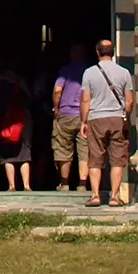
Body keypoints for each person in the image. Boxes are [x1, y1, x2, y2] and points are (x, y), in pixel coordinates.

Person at [82, 38, 136, 207]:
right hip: (117, 118)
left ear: (97, 52)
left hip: (96, 118)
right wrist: (125, 117)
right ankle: (114, 196)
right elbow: (129, 101)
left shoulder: (89, 73)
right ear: (113, 53)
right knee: (117, 159)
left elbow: (85, 100)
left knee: (95, 157)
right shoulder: (124, 72)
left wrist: (83, 122)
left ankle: (96, 195)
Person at [50, 41, 90, 191]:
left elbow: (57, 90)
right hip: (84, 115)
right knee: (84, 149)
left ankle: (65, 183)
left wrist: (56, 108)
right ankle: (82, 184)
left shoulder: (65, 70)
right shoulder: (89, 71)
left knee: (62, 148)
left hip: (66, 113)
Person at [0, 65, 33, 191]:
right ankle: (26, 185)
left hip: (6, 120)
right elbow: (30, 99)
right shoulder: (21, 82)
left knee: (8, 155)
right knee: (24, 153)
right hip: (23, 120)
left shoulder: (0, 84)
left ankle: (11, 185)